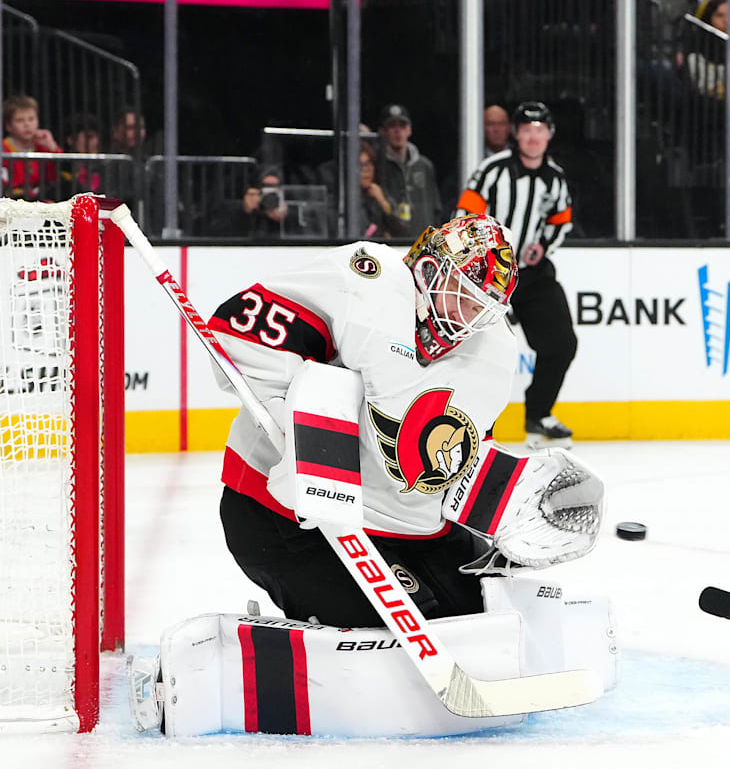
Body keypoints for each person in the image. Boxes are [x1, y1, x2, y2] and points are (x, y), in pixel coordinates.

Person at [127, 213, 614, 737]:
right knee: (376, 637)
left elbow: (455, 462)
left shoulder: (492, 354)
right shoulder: (363, 280)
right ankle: (221, 670)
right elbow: (234, 333)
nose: (471, 314)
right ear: (430, 267)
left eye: (484, 306)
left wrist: (508, 511)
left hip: (408, 530)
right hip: (282, 518)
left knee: (476, 626)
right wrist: (307, 414)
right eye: (463, 293)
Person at [455, 103, 580, 449]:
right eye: (526, 130)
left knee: (562, 343)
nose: (533, 136)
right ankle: (466, 423)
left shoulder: (555, 178)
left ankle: (538, 416)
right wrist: (483, 261)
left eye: (540, 130)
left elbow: (561, 221)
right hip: (489, 278)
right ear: (517, 134)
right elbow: (465, 215)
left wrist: (543, 246)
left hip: (534, 276)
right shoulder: (492, 170)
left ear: (549, 134)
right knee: (476, 352)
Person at [375, 103, 445, 236]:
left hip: (423, 240)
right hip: (392, 242)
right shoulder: (377, 165)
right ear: (382, 131)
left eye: (402, 125)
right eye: (392, 126)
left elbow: (436, 208)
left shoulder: (424, 166)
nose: (398, 131)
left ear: (409, 130)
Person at [2, 94, 62, 201]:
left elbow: (58, 178)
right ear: (8, 126)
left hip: (44, 204)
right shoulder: (3, 149)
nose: (27, 124)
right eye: (20, 120)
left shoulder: (44, 147)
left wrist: (53, 148)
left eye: (31, 119)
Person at [360, 143, 408, 240]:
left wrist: (382, 202)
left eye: (369, 164)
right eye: (361, 165)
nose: (367, 169)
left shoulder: (380, 193)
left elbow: (401, 231)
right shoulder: (345, 200)